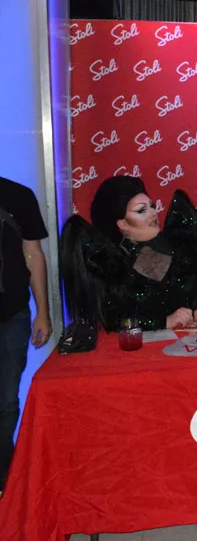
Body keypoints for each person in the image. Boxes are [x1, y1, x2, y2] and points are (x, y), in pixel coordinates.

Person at [61, 175, 197, 332]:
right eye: (142, 210)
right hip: (136, 345)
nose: (153, 213)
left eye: (152, 206)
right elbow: (112, 318)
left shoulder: (175, 247)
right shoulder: (111, 264)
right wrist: (164, 322)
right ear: (122, 223)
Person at [0, 176, 51, 494]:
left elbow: (32, 253)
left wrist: (43, 311)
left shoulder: (17, 195)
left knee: (6, 402)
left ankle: (4, 478)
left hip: (12, 314)